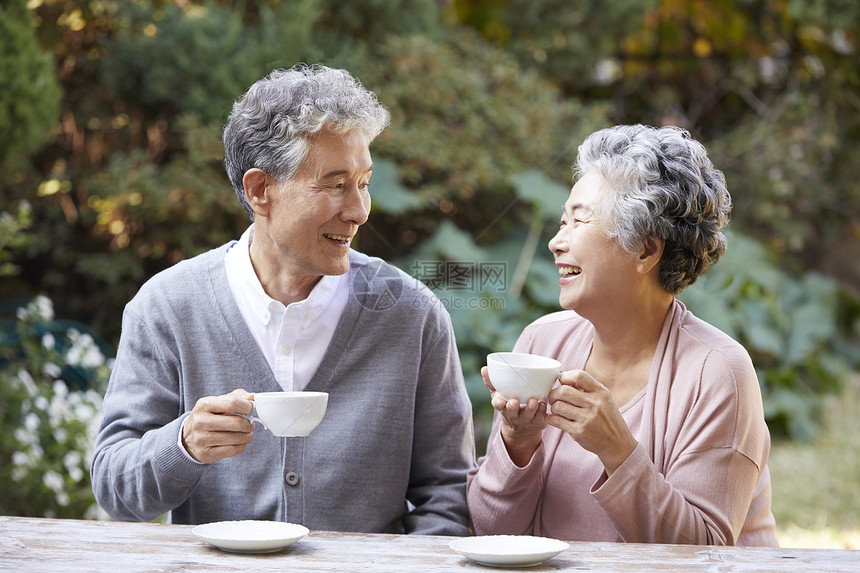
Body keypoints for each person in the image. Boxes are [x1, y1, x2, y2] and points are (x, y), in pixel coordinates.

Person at [91, 64, 475, 535]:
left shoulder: (411, 314)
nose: (359, 210)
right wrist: (184, 445)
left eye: (364, 182)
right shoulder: (169, 307)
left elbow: (449, 497)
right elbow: (115, 488)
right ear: (260, 190)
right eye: (336, 185)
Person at [466, 125, 778, 546]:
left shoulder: (718, 371)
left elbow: (705, 553)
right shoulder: (541, 344)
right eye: (562, 221)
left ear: (646, 250)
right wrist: (516, 441)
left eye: (579, 221)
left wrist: (617, 451)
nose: (556, 243)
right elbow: (490, 532)